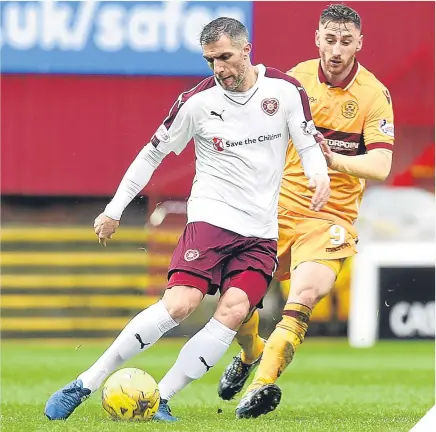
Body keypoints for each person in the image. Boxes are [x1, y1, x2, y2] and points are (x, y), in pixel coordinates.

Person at [44, 17, 330, 422]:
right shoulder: (196, 103)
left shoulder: (284, 91)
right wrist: (113, 209)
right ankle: (85, 382)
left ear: (247, 50)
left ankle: (161, 397)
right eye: (210, 60)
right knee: (180, 304)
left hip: (261, 232)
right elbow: (151, 154)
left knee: (233, 312)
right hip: (211, 220)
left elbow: (306, 140)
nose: (219, 69)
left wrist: (318, 172)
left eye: (226, 57)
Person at [218, 4, 395, 419]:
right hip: (278, 209)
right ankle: (249, 356)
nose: (336, 50)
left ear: (359, 43)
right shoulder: (292, 82)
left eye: (346, 41)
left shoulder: (373, 94)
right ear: (317, 38)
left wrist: (334, 162)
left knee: (303, 296)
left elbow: (381, 165)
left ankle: (262, 386)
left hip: (331, 218)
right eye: (329, 40)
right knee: (237, 299)